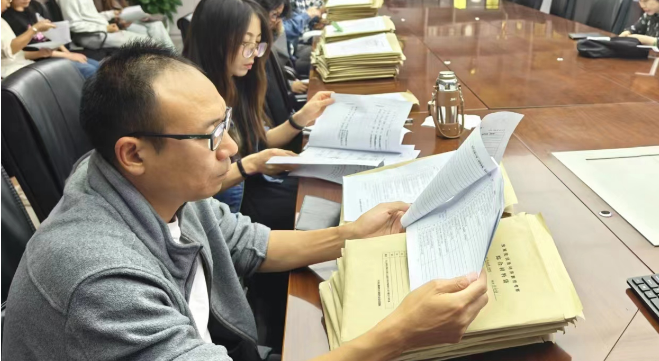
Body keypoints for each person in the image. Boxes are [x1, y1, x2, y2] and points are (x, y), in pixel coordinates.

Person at [1, 41, 489, 361]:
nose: (232, 147)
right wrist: (400, 334)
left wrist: (350, 234)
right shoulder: (100, 281)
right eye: (211, 135)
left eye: (226, 123)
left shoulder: (154, 183)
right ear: (134, 153)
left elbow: (248, 243)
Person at [183, 0, 330, 228]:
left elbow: (259, 141)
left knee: (325, 190)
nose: (254, 54)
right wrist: (250, 164)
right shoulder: (190, 100)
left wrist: (302, 118)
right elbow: (197, 189)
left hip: (254, 186)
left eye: (257, 43)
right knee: (323, 206)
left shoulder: (236, 81)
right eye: (245, 43)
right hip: (230, 211)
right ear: (215, 40)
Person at [1, 0, 100, 79]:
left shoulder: (34, 6)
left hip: (55, 53)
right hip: (41, 59)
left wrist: (68, 53)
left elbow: (52, 33)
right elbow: (19, 52)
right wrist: (68, 55)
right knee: (91, 72)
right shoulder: (7, 18)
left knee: (100, 68)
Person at [242, 0, 308, 94]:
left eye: (279, 16)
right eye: (274, 15)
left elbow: (281, 62)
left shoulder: (268, 31)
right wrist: (288, 85)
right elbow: (259, 76)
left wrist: (279, 33)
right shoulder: (253, 38)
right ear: (261, 8)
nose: (276, 21)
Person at [265, 0, 318, 76]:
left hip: (290, 57)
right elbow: (287, 29)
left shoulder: (284, 2)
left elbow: (296, 18)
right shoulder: (273, 5)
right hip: (286, 63)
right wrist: (307, 15)